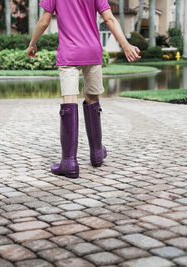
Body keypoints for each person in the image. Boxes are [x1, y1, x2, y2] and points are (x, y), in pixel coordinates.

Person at [27, 0, 141, 178]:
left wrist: (32, 43)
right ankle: (96, 153)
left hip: (69, 53)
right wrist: (126, 45)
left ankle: (69, 162)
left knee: (69, 101)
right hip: (92, 52)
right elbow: (109, 18)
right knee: (92, 99)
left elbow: (44, 21)